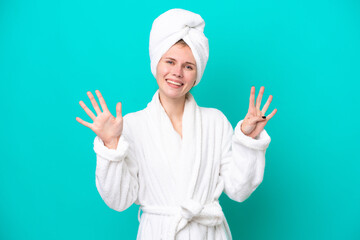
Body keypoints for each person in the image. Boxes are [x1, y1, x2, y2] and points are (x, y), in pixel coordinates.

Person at [76, 8, 277, 240]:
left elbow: (238, 190)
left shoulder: (215, 122)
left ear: (196, 74)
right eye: (170, 61)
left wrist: (247, 140)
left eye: (188, 66)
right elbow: (119, 200)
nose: (177, 73)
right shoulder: (132, 126)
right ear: (156, 63)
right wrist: (111, 146)